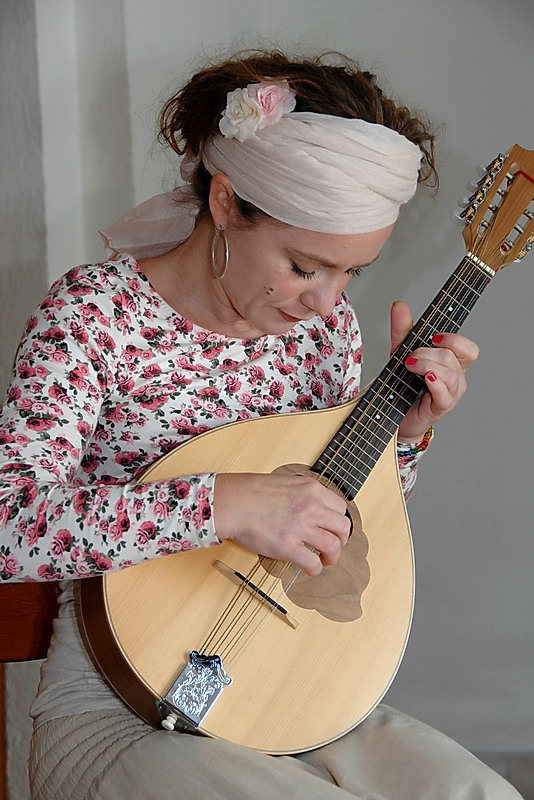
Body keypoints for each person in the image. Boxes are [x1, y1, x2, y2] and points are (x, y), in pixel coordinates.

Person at [0, 50, 521, 799]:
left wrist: (402, 438)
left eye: (351, 273)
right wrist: (223, 503)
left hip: (287, 691)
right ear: (224, 202)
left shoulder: (324, 331)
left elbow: (330, 529)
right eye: (306, 266)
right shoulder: (95, 316)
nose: (326, 301)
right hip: (122, 710)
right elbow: (12, 524)